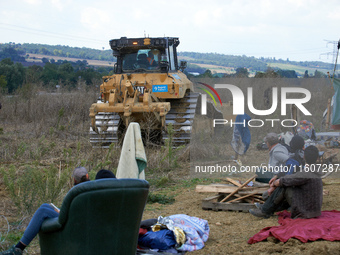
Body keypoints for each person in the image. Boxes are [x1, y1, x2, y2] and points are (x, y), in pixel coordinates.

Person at [0, 167, 90, 255]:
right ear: (87, 175)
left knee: (43, 211)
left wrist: (61, 212)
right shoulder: (93, 189)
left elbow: (71, 213)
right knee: (45, 206)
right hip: (82, 218)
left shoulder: (74, 193)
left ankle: (19, 248)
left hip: (73, 222)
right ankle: (18, 248)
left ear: (74, 180)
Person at [250, 145, 323, 219]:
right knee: (287, 184)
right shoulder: (314, 170)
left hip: (306, 211)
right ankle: (268, 208)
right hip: (313, 210)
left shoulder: (306, 172)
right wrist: (277, 178)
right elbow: (292, 177)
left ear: (304, 156)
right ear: (317, 158)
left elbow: (283, 181)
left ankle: (265, 211)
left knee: (284, 186)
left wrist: (274, 184)